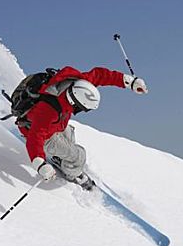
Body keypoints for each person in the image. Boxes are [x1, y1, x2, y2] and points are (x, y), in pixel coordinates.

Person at [18, 66, 148, 190]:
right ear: (75, 102)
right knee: (78, 156)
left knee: (70, 134)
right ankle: (73, 175)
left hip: (55, 125)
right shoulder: (48, 110)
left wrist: (129, 81)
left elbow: (100, 75)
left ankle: (62, 160)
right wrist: (39, 164)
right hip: (38, 133)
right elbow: (35, 137)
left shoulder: (78, 83)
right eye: (82, 109)